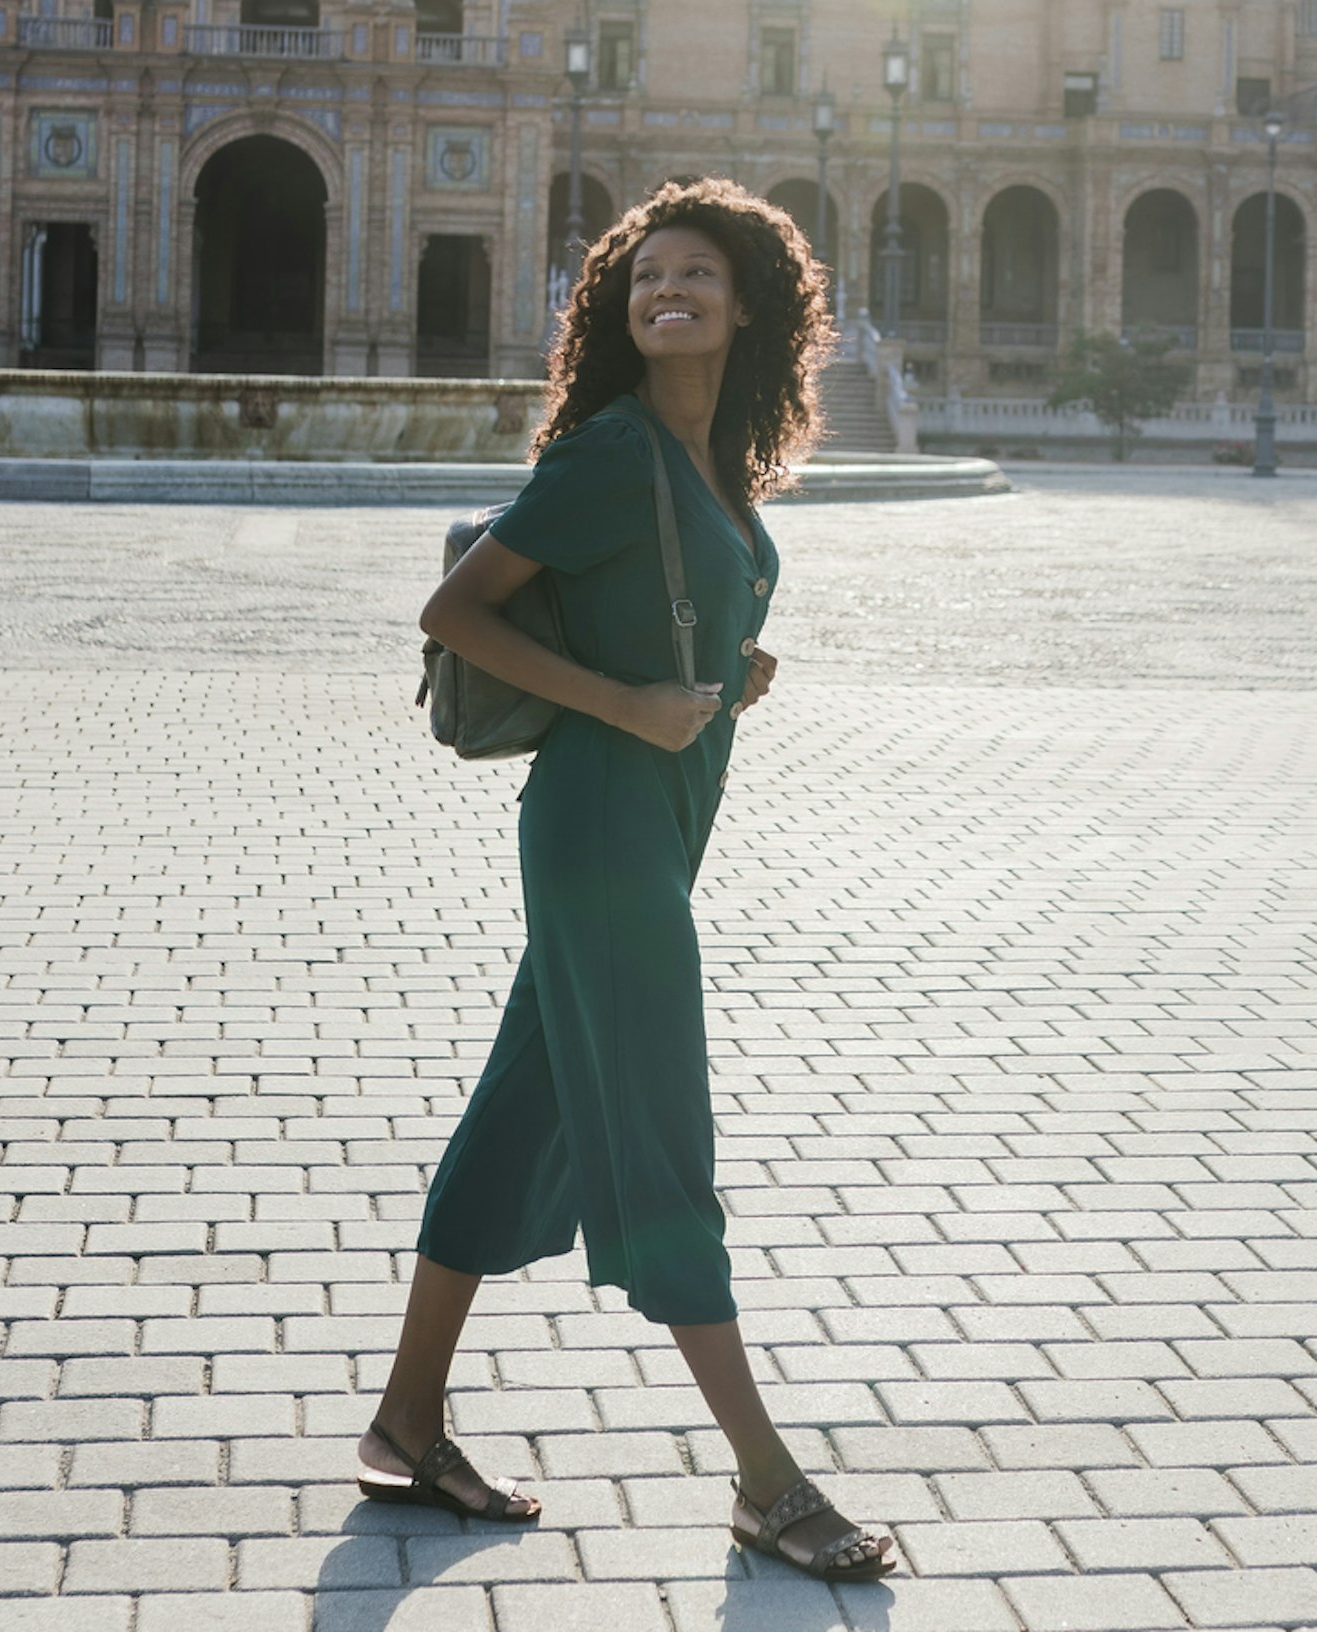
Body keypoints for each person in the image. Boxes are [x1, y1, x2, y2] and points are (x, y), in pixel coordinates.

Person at [363, 177, 897, 1583]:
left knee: (513, 1120)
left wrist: (730, 669)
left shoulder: (710, 461)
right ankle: (767, 1483)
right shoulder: (611, 451)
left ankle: (406, 1426)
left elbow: (672, 614)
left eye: (698, 278)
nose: (670, 292)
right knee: (663, 1147)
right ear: (619, 307)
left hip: (651, 816)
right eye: (646, 277)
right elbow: (455, 609)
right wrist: (621, 702)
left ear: (750, 308)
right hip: (602, 829)